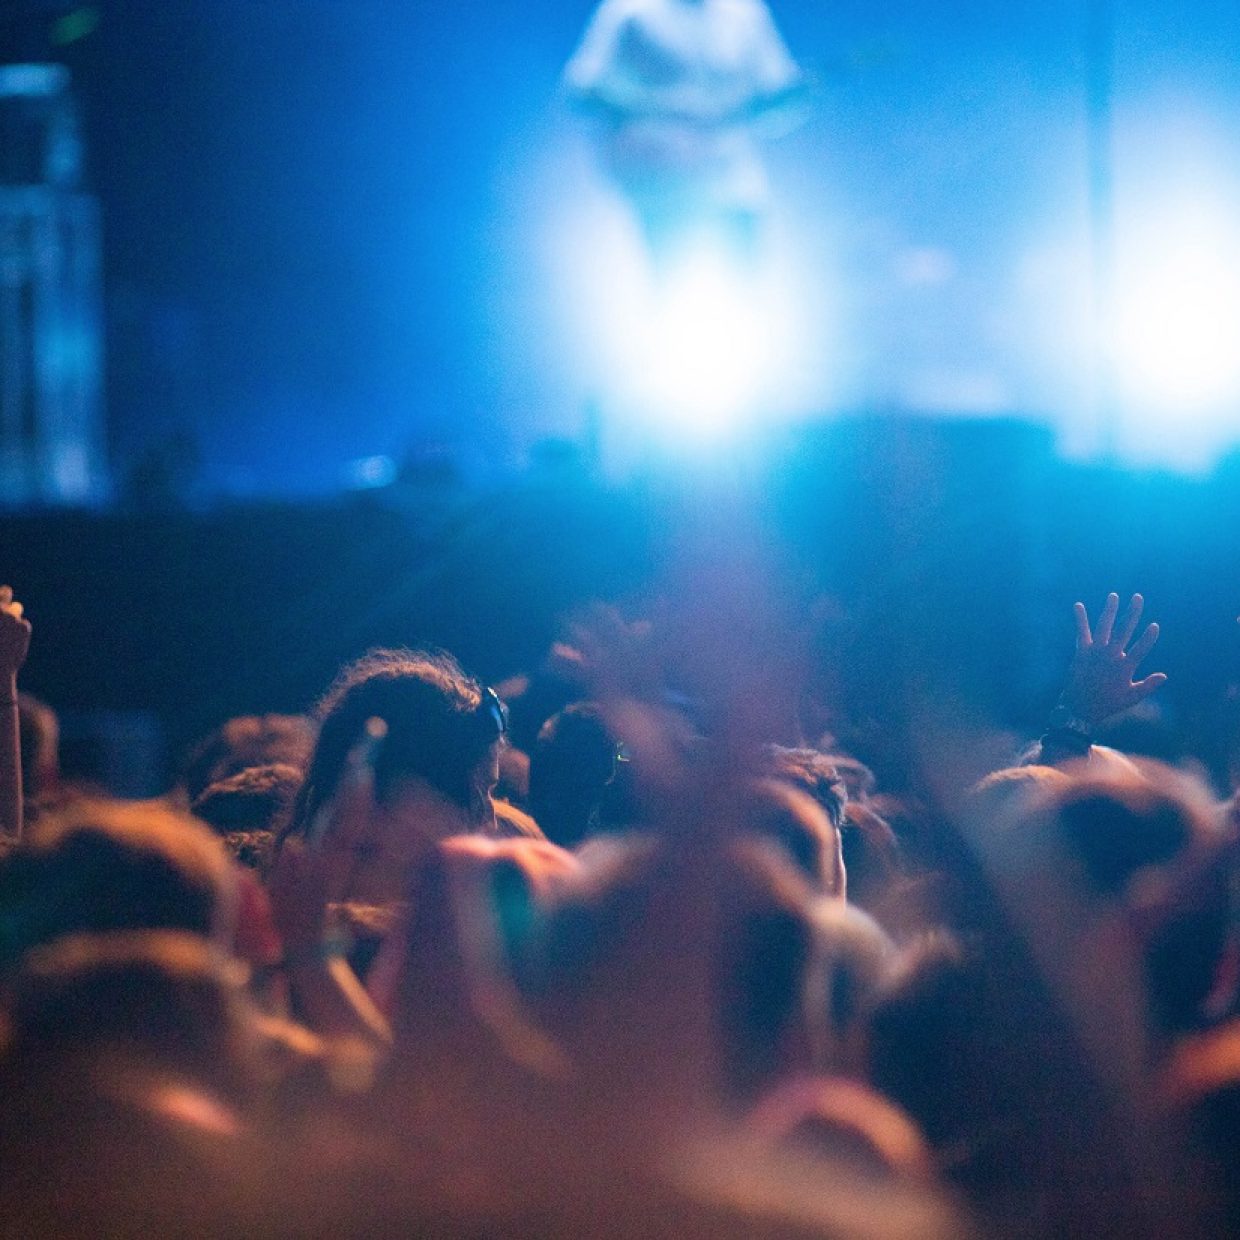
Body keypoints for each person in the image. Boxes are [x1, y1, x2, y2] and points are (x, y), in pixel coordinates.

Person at [564, 0, 805, 266]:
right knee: (672, 281)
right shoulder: (631, 12)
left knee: (743, 283)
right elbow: (587, 91)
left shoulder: (745, 12)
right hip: (662, 190)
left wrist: (786, 101)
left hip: (733, 185)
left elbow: (778, 93)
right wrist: (656, 120)